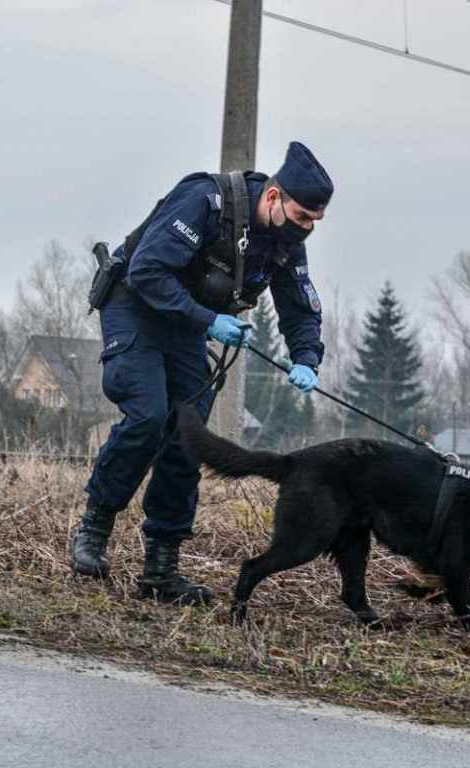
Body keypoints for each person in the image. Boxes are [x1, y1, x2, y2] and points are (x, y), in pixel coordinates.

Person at [73, 141, 333, 606]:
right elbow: (148, 271)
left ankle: (161, 569)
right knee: (149, 417)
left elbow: (299, 304)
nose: (307, 228)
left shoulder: (285, 241)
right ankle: (95, 528)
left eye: (315, 221)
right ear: (273, 199)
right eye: (301, 217)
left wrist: (307, 358)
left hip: (186, 325)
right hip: (135, 308)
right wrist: (210, 321)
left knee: (187, 438)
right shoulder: (206, 201)